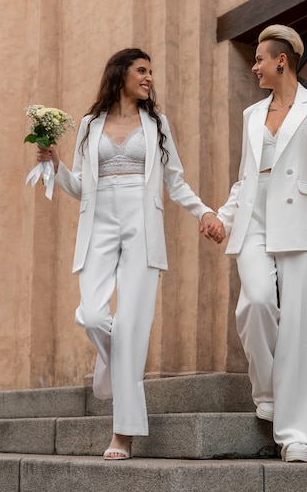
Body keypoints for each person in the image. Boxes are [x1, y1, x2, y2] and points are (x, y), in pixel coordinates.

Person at [36, 48, 224, 460]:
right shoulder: (90, 124)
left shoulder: (156, 125)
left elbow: (174, 181)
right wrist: (55, 162)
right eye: (142, 70)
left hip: (143, 227)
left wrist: (205, 210)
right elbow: (80, 186)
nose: (149, 78)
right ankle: (110, 364)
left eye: (151, 72)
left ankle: (123, 434)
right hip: (98, 224)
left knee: (132, 330)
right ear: (120, 74)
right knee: (92, 314)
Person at [211, 24, 307, 463]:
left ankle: (298, 434)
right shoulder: (251, 115)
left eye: (260, 59)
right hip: (255, 219)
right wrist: (224, 217)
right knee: (255, 303)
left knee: (300, 327)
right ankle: (265, 390)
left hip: (300, 219)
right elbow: (246, 177)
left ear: (281, 60)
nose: (256, 66)